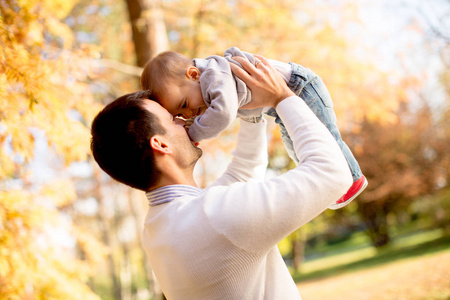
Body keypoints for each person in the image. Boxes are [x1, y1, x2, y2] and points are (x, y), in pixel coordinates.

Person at [90, 55, 353, 299]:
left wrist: (251, 112)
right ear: (161, 145)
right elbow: (332, 174)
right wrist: (281, 97)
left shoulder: (159, 229)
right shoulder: (214, 216)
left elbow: (244, 173)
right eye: (173, 119)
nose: (185, 121)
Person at [140, 47, 367, 209]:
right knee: (295, 146)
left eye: (184, 105)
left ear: (193, 74)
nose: (188, 115)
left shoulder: (213, 75)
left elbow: (224, 113)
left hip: (300, 86)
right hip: (276, 105)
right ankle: (335, 188)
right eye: (179, 115)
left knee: (325, 135)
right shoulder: (198, 88)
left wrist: (193, 133)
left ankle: (353, 178)